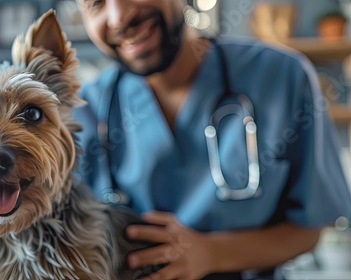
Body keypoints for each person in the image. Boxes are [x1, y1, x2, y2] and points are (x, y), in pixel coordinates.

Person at [72, 0, 351, 279]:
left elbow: (310, 227)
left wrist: (210, 253)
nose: (119, 17)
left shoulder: (281, 77)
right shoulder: (79, 113)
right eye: (95, 3)